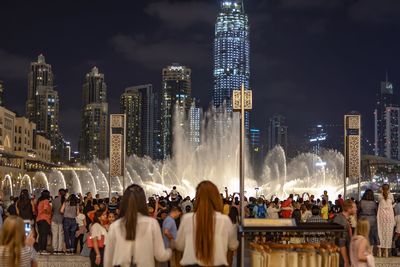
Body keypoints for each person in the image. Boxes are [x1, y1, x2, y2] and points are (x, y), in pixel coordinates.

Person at [104, 184, 171, 267]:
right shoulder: (152, 224)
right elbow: (160, 255)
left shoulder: (115, 226)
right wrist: (170, 250)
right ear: (143, 201)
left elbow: (108, 259)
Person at [175, 180, 239, 266]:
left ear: (197, 198)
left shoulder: (187, 219)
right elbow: (233, 245)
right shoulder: (225, 220)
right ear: (216, 198)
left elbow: (179, 245)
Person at [333, 199, 357, 267]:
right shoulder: (341, 221)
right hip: (341, 257)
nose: (356, 209)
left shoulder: (343, 218)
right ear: (349, 209)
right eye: (354, 207)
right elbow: (341, 244)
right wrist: (346, 261)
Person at [358, 189, 379, 253]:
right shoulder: (374, 203)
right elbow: (376, 211)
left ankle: (363, 250)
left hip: (363, 219)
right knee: (371, 235)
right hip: (372, 219)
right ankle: (370, 251)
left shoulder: (361, 202)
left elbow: (358, 210)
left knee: (363, 234)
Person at [377, 184, 395, 258]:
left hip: (381, 216)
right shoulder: (391, 196)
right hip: (389, 217)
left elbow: (379, 203)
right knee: (388, 233)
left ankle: (380, 251)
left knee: (380, 232)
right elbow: (392, 203)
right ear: (389, 189)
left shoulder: (379, 196)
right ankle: (386, 251)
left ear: (382, 188)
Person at [36, 190, 52, 254]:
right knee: (44, 235)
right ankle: (43, 250)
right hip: (45, 219)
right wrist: (49, 212)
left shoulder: (40, 201)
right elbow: (45, 209)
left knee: (41, 235)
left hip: (39, 219)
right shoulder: (46, 201)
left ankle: (39, 250)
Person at [52, 189, 66, 254]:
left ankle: (55, 249)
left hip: (54, 218)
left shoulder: (54, 200)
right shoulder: (66, 200)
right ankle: (60, 249)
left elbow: (52, 209)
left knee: (55, 234)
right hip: (62, 219)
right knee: (61, 235)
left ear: (58, 193)